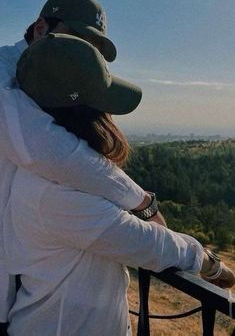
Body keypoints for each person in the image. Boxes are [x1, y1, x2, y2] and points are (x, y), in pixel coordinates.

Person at [3, 33, 234, 336]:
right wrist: (207, 261)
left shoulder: (49, 175)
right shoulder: (54, 194)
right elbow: (147, 243)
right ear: (87, 113)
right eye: (105, 105)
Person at [0, 0, 165, 327]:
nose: (83, 53)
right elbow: (47, 150)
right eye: (77, 38)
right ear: (41, 27)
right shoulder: (5, 77)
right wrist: (142, 202)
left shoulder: (48, 86)